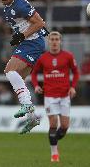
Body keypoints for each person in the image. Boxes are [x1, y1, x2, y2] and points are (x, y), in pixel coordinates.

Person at [0, 0, 49, 134]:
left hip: (32, 42)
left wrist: (22, 36)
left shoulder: (19, 5)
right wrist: (19, 35)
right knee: (18, 78)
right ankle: (32, 117)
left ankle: (27, 106)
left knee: (10, 71)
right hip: (27, 42)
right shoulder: (8, 7)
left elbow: (40, 23)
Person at [31, 31, 79, 162]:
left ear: (60, 41)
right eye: (52, 39)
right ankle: (54, 153)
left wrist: (73, 87)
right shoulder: (43, 58)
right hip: (50, 96)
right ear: (49, 41)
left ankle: (53, 140)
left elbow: (76, 72)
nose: (54, 41)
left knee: (64, 127)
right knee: (53, 124)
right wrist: (36, 85)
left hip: (64, 96)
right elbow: (34, 73)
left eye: (57, 39)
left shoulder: (68, 56)